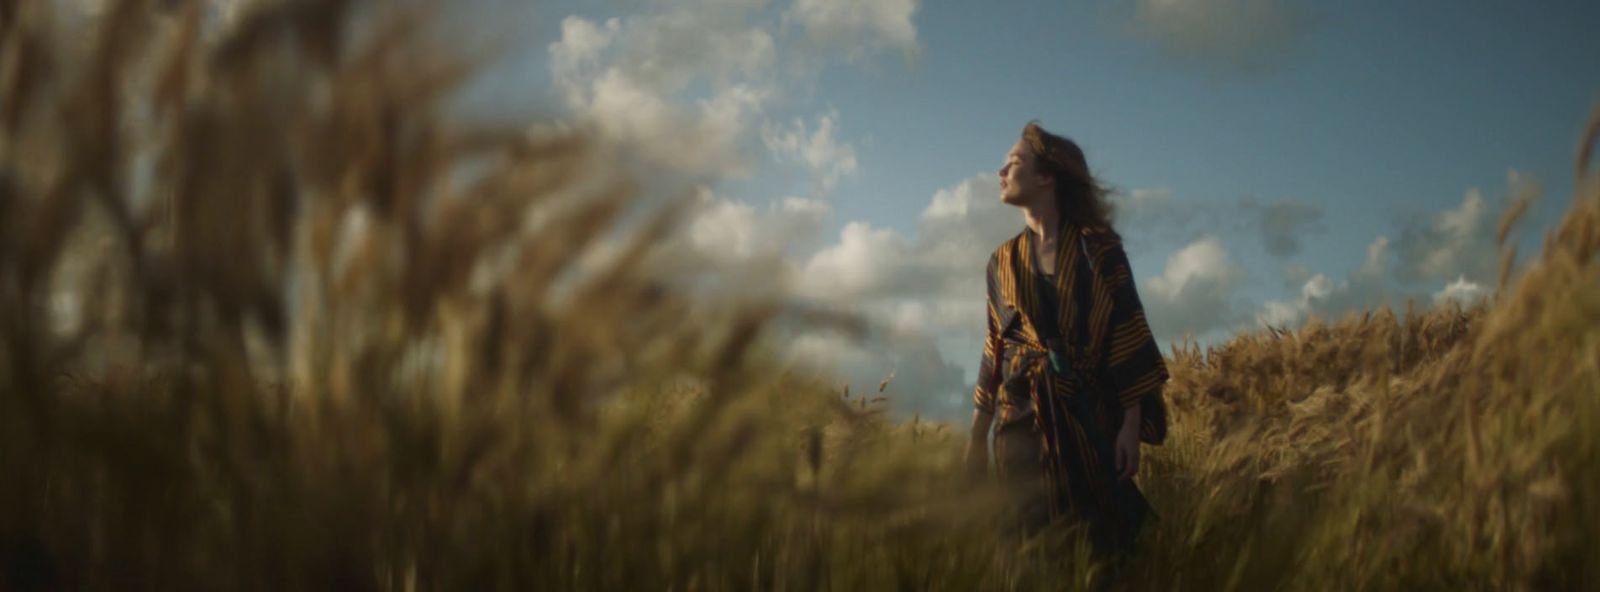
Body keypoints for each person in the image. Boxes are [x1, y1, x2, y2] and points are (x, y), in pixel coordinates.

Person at [963, 121, 1170, 569]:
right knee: (1025, 547)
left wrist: (1131, 424)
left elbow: (1127, 330)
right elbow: (993, 349)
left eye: (1014, 162)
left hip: (1086, 415)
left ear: (1046, 176)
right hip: (1018, 419)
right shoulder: (999, 262)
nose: (1000, 171)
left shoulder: (1100, 250)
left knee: (1101, 546)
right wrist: (978, 436)